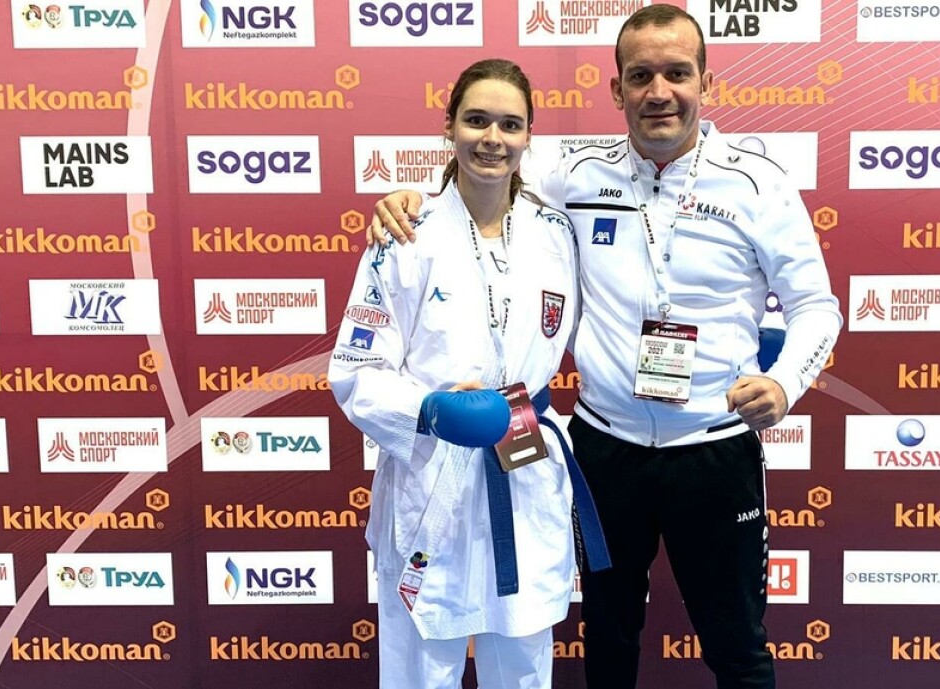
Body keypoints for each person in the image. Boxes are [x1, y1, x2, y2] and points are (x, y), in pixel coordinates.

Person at [371, 7, 842, 688]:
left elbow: (816, 307)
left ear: (706, 82)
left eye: (677, 73)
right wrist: (408, 199)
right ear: (617, 89)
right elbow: (488, 177)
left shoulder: (758, 185)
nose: (659, 91)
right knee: (609, 643)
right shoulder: (576, 175)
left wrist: (786, 382)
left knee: (738, 647)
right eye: (641, 75)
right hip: (605, 451)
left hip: (712, 449)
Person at [329, 58, 606, 689]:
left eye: (510, 124)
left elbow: (607, 325)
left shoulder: (556, 233)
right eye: (476, 120)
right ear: (449, 126)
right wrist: (427, 410)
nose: (493, 138)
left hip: (525, 458)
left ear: (529, 135)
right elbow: (356, 366)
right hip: (434, 473)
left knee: (525, 662)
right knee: (421, 668)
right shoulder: (407, 232)